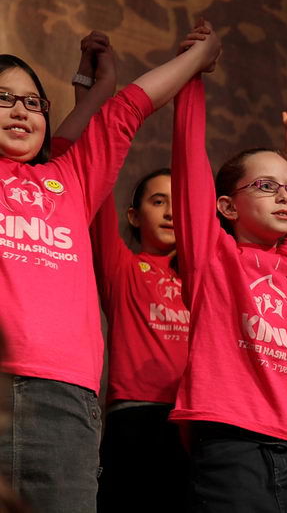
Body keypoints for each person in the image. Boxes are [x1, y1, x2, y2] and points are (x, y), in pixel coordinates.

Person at [0, 21, 220, 513]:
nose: (20, 110)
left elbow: (126, 110)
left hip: (65, 398)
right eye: (4, 98)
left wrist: (196, 59)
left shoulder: (70, 179)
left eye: (33, 102)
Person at [168, 36, 287, 512]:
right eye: (267, 186)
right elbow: (188, 161)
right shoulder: (212, 255)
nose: (286, 196)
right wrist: (191, 77)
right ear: (226, 206)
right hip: (230, 443)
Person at [92, 168, 191, 512]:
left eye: (179, 204)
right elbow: (99, 188)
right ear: (134, 215)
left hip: (192, 419)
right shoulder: (121, 267)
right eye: (158, 201)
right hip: (135, 417)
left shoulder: (205, 278)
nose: (170, 213)